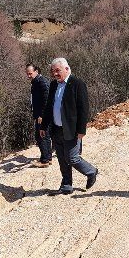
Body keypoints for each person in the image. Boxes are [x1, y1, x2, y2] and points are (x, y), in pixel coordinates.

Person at [39, 58, 99, 195]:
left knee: (72, 158)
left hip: (71, 129)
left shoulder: (77, 84)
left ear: (66, 69)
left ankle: (91, 171)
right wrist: (43, 126)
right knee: (61, 159)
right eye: (53, 71)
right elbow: (49, 106)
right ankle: (66, 185)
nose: (54, 74)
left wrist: (81, 130)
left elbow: (84, 109)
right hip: (56, 128)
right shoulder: (54, 85)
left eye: (57, 70)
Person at [26, 64, 52, 167]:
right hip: (39, 114)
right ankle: (47, 158)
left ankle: (44, 160)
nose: (28, 76)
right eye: (27, 74)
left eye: (30, 73)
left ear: (36, 71)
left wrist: (41, 115)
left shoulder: (42, 82)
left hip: (43, 115)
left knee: (40, 136)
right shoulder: (36, 82)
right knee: (44, 135)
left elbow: (46, 100)